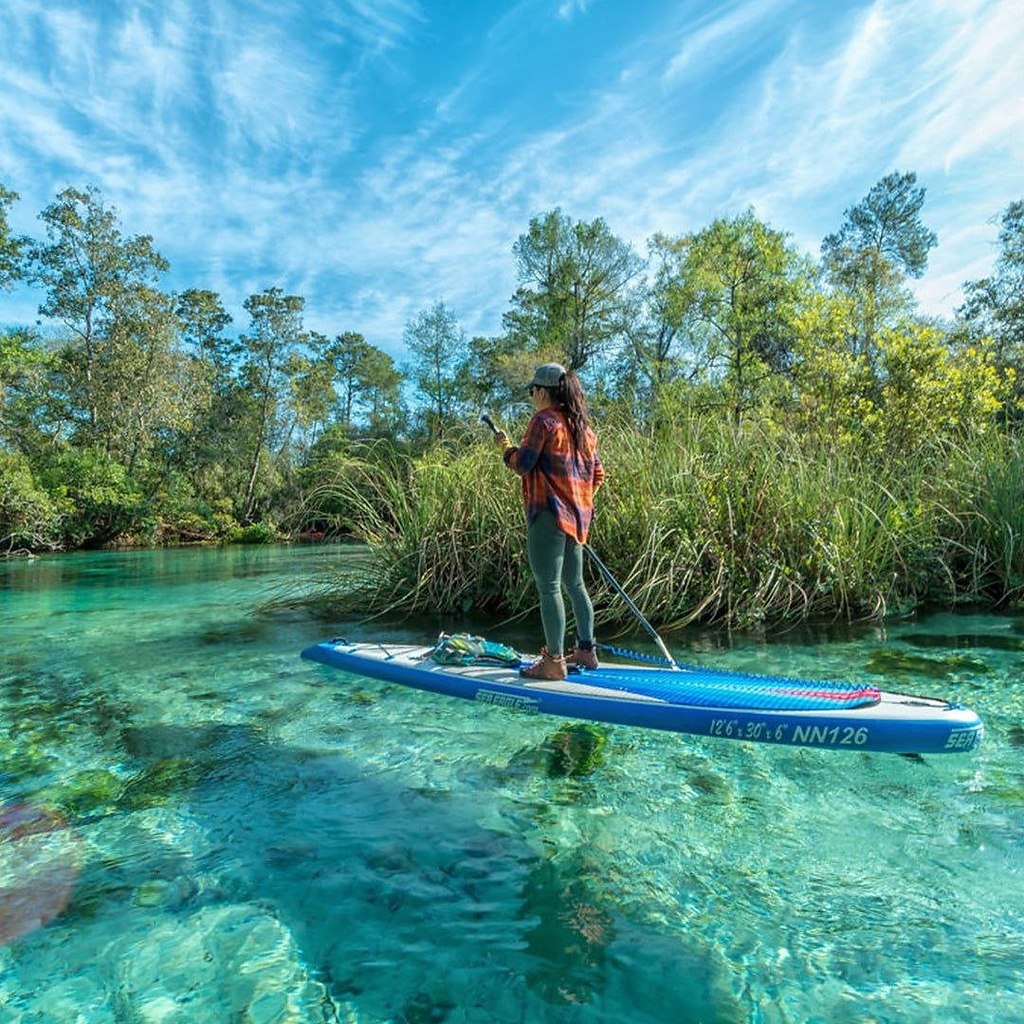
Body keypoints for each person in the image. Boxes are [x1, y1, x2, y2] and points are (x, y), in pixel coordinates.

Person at [492, 362, 605, 680]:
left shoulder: (544, 421)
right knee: (575, 584)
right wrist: (581, 501)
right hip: (577, 520)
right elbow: (598, 474)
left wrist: (505, 450)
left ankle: (554, 662)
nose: (531, 396)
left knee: (549, 587)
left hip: (548, 515)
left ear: (543, 391)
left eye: (532, 391)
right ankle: (586, 650)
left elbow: (524, 464)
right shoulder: (585, 430)